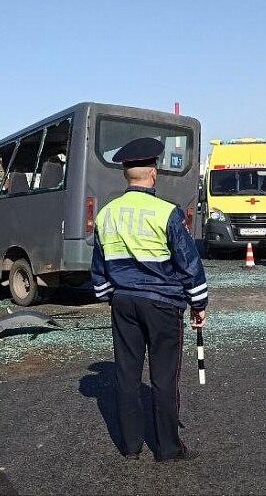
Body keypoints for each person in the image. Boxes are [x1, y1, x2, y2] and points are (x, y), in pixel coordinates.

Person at [90, 137, 208, 463]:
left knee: (127, 376)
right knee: (163, 378)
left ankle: (130, 446)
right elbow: (189, 263)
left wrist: (108, 296)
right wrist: (199, 305)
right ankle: (168, 449)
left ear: (126, 175)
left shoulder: (106, 214)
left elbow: (99, 266)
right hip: (162, 305)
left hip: (123, 302)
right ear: (153, 173)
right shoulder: (166, 213)